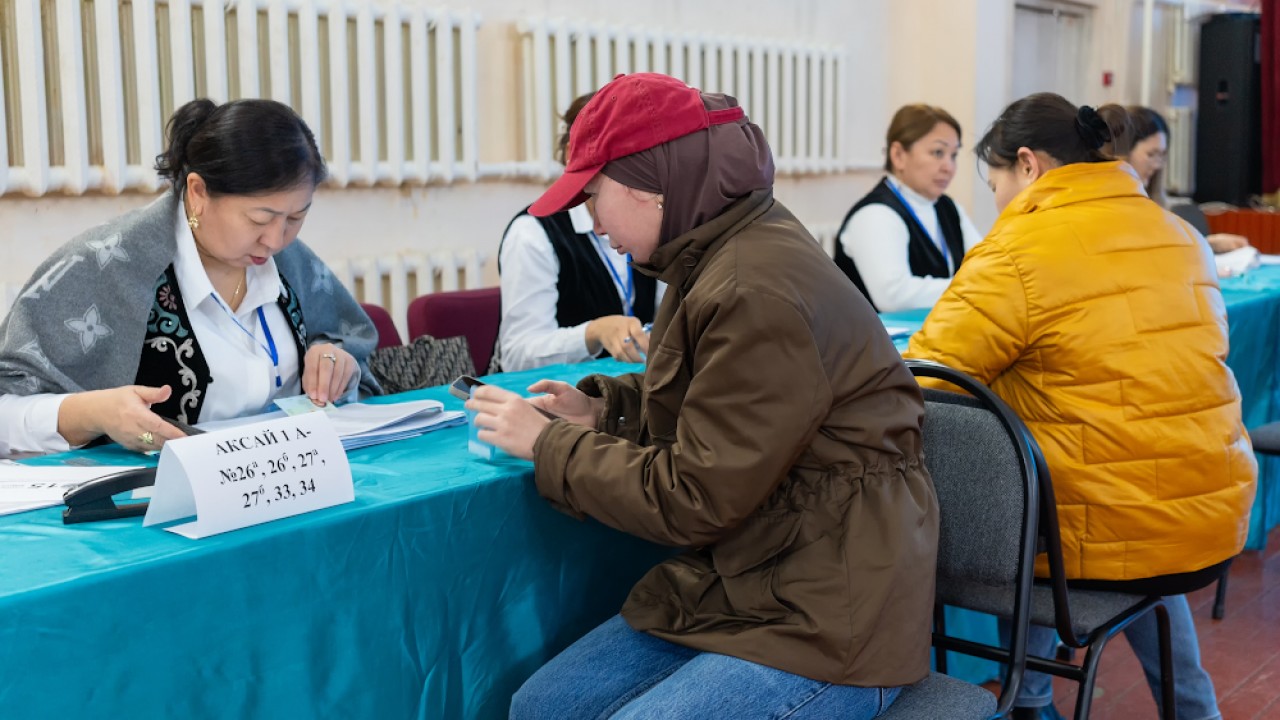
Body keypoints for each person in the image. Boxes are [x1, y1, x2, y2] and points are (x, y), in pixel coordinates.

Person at [466, 72, 938, 719]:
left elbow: (695, 497)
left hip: (834, 615)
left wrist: (552, 445)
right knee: (541, 707)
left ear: (646, 186)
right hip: (762, 572)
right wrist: (604, 410)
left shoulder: (751, 284)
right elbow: (721, 399)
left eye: (594, 196)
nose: (593, 223)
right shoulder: (716, 250)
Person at [906, 92, 1256, 720]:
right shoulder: (1178, 232)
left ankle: (1022, 700)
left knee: (1015, 486)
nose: (997, 202)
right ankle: (1189, 709)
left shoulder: (1019, 248)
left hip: (1100, 528)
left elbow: (929, 381)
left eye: (994, 184)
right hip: (1205, 513)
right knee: (1114, 503)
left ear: (1027, 164)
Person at [0, 98, 379, 455]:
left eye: (296, 218)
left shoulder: (287, 261)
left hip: (283, 478)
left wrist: (334, 359)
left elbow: (345, 341)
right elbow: (7, 407)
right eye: (259, 219)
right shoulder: (103, 267)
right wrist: (93, 413)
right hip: (150, 497)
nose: (276, 240)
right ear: (198, 192)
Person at [496, 92, 665, 372]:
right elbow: (517, 356)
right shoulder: (532, 234)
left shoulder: (647, 218)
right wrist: (592, 333)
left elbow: (668, 313)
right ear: (570, 156)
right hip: (555, 389)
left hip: (630, 384)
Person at [833, 104, 984, 311]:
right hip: (876, 332)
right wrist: (975, 287)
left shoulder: (949, 208)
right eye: (938, 152)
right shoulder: (875, 214)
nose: (949, 167)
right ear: (898, 155)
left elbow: (985, 267)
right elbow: (893, 296)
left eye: (953, 155)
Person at [1107, 105, 1249, 253]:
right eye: (1151, 154)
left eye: (1162, 155)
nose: (1157, 165)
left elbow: (1162, 246)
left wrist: (1210, 244)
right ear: (1122, 154)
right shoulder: (1109, 208)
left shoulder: (1152, 204)